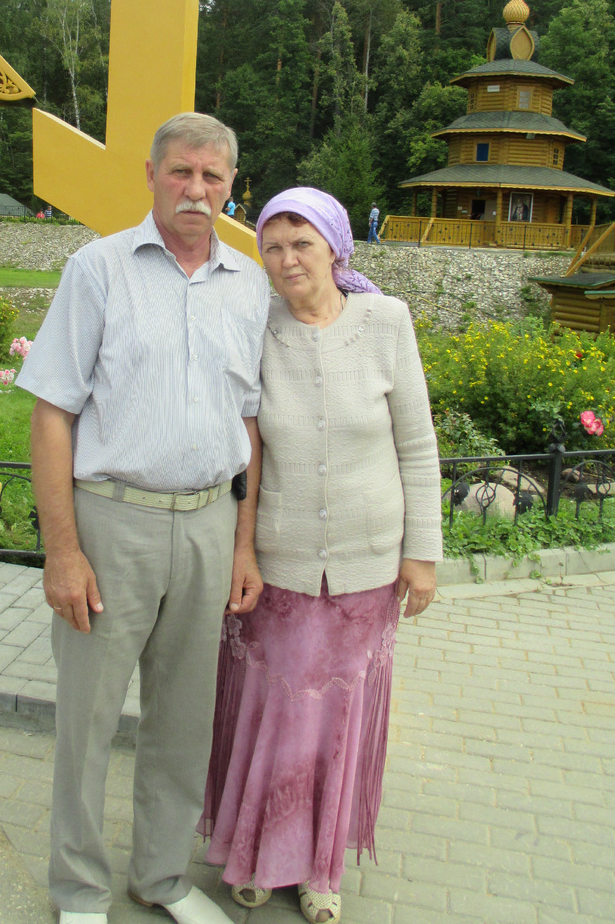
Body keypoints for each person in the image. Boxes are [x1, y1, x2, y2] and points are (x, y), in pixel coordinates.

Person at [16, 113, 272, 924]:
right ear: (152, 174)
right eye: (181, 173)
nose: (196, 190)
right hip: (111, 524)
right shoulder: (98, 270)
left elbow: (251, 423)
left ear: (232, 185)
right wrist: (63, 551)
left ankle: (160, 877)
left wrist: (243, 542)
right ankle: (80, 890)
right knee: (88, 724)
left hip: (205, 525)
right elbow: (52, 411)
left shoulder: (251, 284)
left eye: (213, 177)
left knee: (184, 722)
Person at [201, 187, 442, 924]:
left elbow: (417, 442)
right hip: (279, 561)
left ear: (336, 247)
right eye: (272, 247)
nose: (286, 260)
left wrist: (422, 552)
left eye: (301, 243)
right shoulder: (256, 325)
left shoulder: (385, 321)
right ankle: (251, 854)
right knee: (270, 713)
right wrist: (241, 547)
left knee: (338, 718)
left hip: (368, 566)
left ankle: (319, 872)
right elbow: (247, 451)